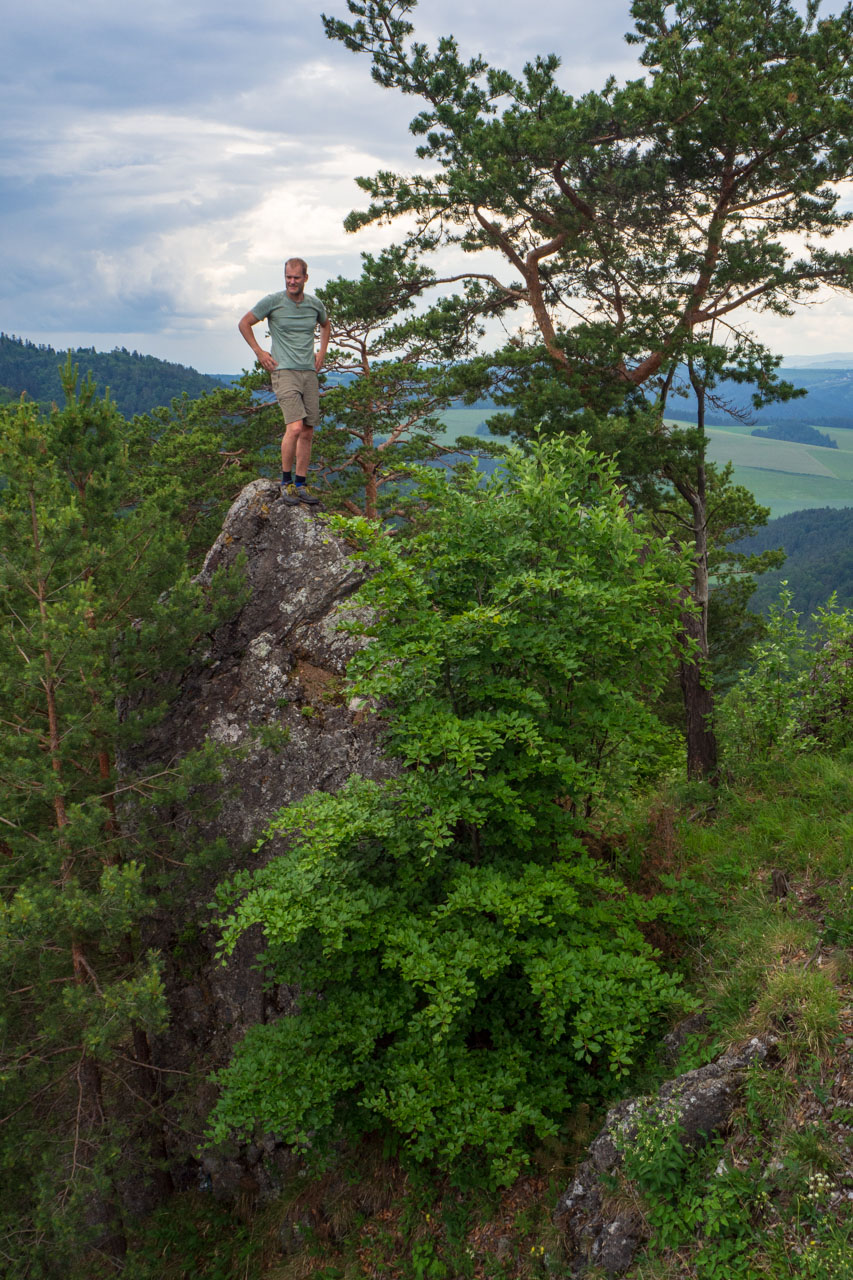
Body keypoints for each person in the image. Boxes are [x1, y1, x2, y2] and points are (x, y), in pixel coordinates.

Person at [238, 257, 331, 505]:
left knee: (309, 429)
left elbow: (325, 324)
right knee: (295, 427)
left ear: (305, 279)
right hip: (283, 371)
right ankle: (286, 483)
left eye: (296, 278)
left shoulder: (314, 304)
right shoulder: (273, 301)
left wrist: (322, 352)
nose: (291, 281)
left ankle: (301, 484)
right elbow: (244, 322)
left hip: (308, 372)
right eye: (288, 277)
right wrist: (259, 352)